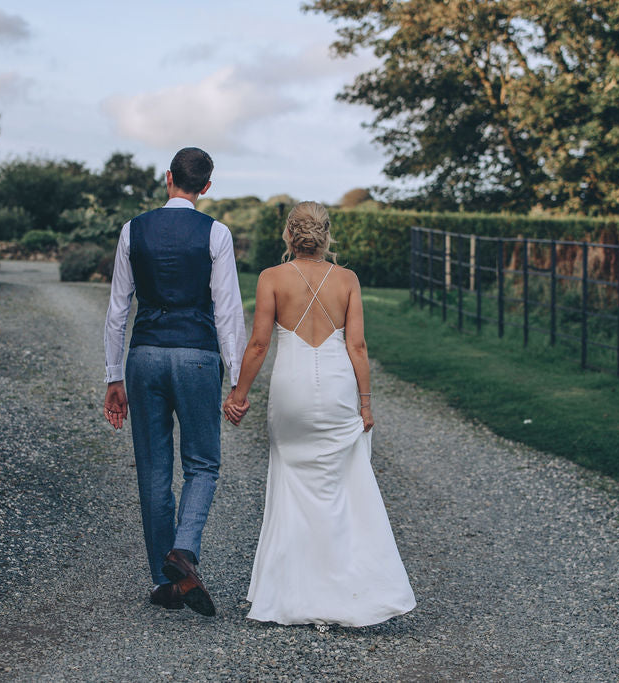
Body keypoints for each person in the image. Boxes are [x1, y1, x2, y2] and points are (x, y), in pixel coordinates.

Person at [223, 201, 416, 628]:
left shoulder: (272, 278)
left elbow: (258, 345)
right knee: (343, 488)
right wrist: (366, 404)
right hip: (337, 390)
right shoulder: (347, 279)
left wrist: (238, 394)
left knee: (291, 484)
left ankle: (289, 594)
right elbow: (358, 348)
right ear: (327, 235)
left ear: (289, 235)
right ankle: (353, 588)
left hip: (291, 389)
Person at [102, 147, 247, 616]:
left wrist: (113, 375)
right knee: (203, 463)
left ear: (168, 179)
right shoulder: (216, 233)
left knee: (153, 470)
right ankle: (183, 552)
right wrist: (238, 379)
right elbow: (228, 311)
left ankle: (169, 581)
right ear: (205, 187)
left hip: (143, 357)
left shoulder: (133, 229)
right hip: (197, 357)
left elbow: (117, 310)